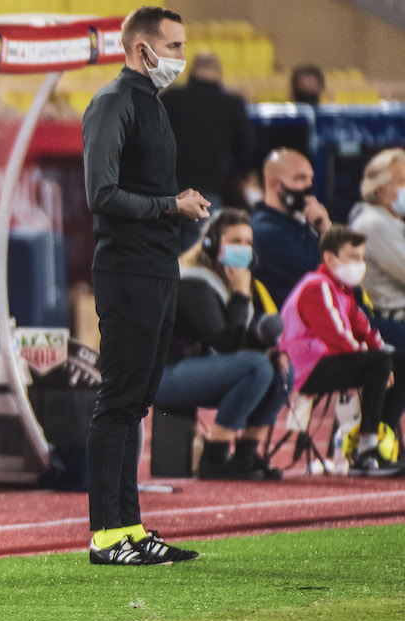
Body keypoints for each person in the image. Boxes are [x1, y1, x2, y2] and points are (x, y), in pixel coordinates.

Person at [82, 6, 208, 566]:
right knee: (118, 403)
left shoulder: (150, 103)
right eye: (174, 46)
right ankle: (105, 535)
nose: (181, 57)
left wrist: (173, 205)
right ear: (142, 49)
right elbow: (101, 193)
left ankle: (129, 527)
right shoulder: (113, 103)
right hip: (127, 271)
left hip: (157, 267)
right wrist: (170, 205)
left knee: (134, 405)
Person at [154, 209, 288, 480]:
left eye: (248, 242)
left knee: (281, 368)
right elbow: (226, 342)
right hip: (167, 373)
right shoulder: (193, 279)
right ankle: (215, 456)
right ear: (212, 243)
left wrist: (270, 349)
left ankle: (245, 454)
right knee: (256, 366)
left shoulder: (232, 278)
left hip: (199, 369)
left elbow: (246, 335)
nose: (243, 248)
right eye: (235, 241)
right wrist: (241, 294)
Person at [280, 225, 405, 473]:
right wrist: (381, 361)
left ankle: (384, 436)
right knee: (378, 362)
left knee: (399, 359)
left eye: (361, 258)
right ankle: (365, 449)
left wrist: (385, 356)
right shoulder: (317, 286)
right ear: (330, 258)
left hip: (328, 361)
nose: (360, 264)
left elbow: (365, 330)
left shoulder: (342, 290)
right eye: (353, 257)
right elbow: (337, 338)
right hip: (305, 369)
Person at [160, 52, 254, 248]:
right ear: (219, 71)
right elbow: (247, 148)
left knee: (168, 246)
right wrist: (234, 176)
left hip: (170, 190)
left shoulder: (170, 99)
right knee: (199, 249)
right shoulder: (232, 103)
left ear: (191, 71)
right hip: (211, 188)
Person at [251, 148, 332, 308]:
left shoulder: (297, 222)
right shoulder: (266, 230)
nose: (308, 186)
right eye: (300, 178)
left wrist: (323, 227)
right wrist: (325, 231)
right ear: (274, 184)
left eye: (310, 179)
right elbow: (322, 272)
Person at [350, 148, 405, 348]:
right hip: (392, 319)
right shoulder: (373, 223)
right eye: (401, 181)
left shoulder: (392, 220)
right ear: (379, 188)